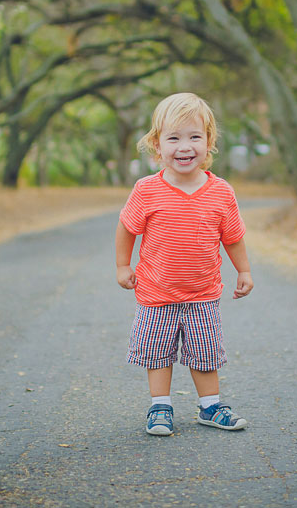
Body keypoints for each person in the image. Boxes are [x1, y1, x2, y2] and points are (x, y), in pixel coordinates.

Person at [115, 92, 254, 436]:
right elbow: (127, 228)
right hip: (155, 292)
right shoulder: (147, 190)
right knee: (157, 353)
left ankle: (211, 407)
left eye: (194, 137)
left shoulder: (221, 192)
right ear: (156, 146)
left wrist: (244, 270)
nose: (184, 146)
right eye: (173, 138)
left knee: (205, 354)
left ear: (209, 143)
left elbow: (232, 236)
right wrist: (122, 265)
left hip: (203, 294)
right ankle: (160, 407)